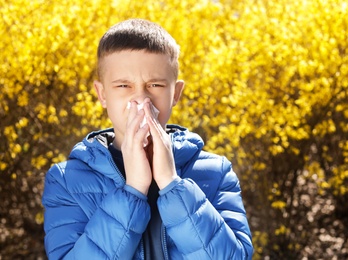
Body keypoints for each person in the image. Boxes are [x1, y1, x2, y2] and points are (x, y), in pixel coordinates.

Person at [42, 18, 253, 259]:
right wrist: (133, 190)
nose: (142, 99)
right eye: (123, 85)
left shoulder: (217, 172)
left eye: (155, 84)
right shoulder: (66, 180)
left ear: (176, 93)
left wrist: (172, 185)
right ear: (102, 94)